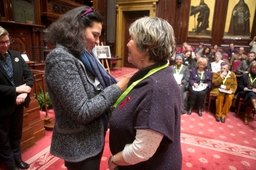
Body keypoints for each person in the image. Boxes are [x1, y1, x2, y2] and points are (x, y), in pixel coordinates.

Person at [43, 6, 130, 170]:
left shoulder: (83, 55)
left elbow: (97, 87)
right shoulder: (61, 58)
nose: (97, 41)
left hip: (93, 136)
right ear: (77, 30)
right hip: (79, 143)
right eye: (95, 35)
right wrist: (118, 88)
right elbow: (82, 112)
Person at [108, 16, 182, 170]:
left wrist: (114, 160)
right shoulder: (155, 74)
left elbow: (142, 150)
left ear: (147, 47)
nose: (128, 43)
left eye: (132, 39)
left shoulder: (156, 88)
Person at [0, 26, 33, 170]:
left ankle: (18, 159)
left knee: (16, 134)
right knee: (3, 138)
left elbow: (30, 76)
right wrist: (15, 89)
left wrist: (24, 93)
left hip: (18, 103)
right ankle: (10, 164)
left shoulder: (15, 55)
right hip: (2, 106)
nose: (6, 45)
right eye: (1, 42)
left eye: (7, 41)